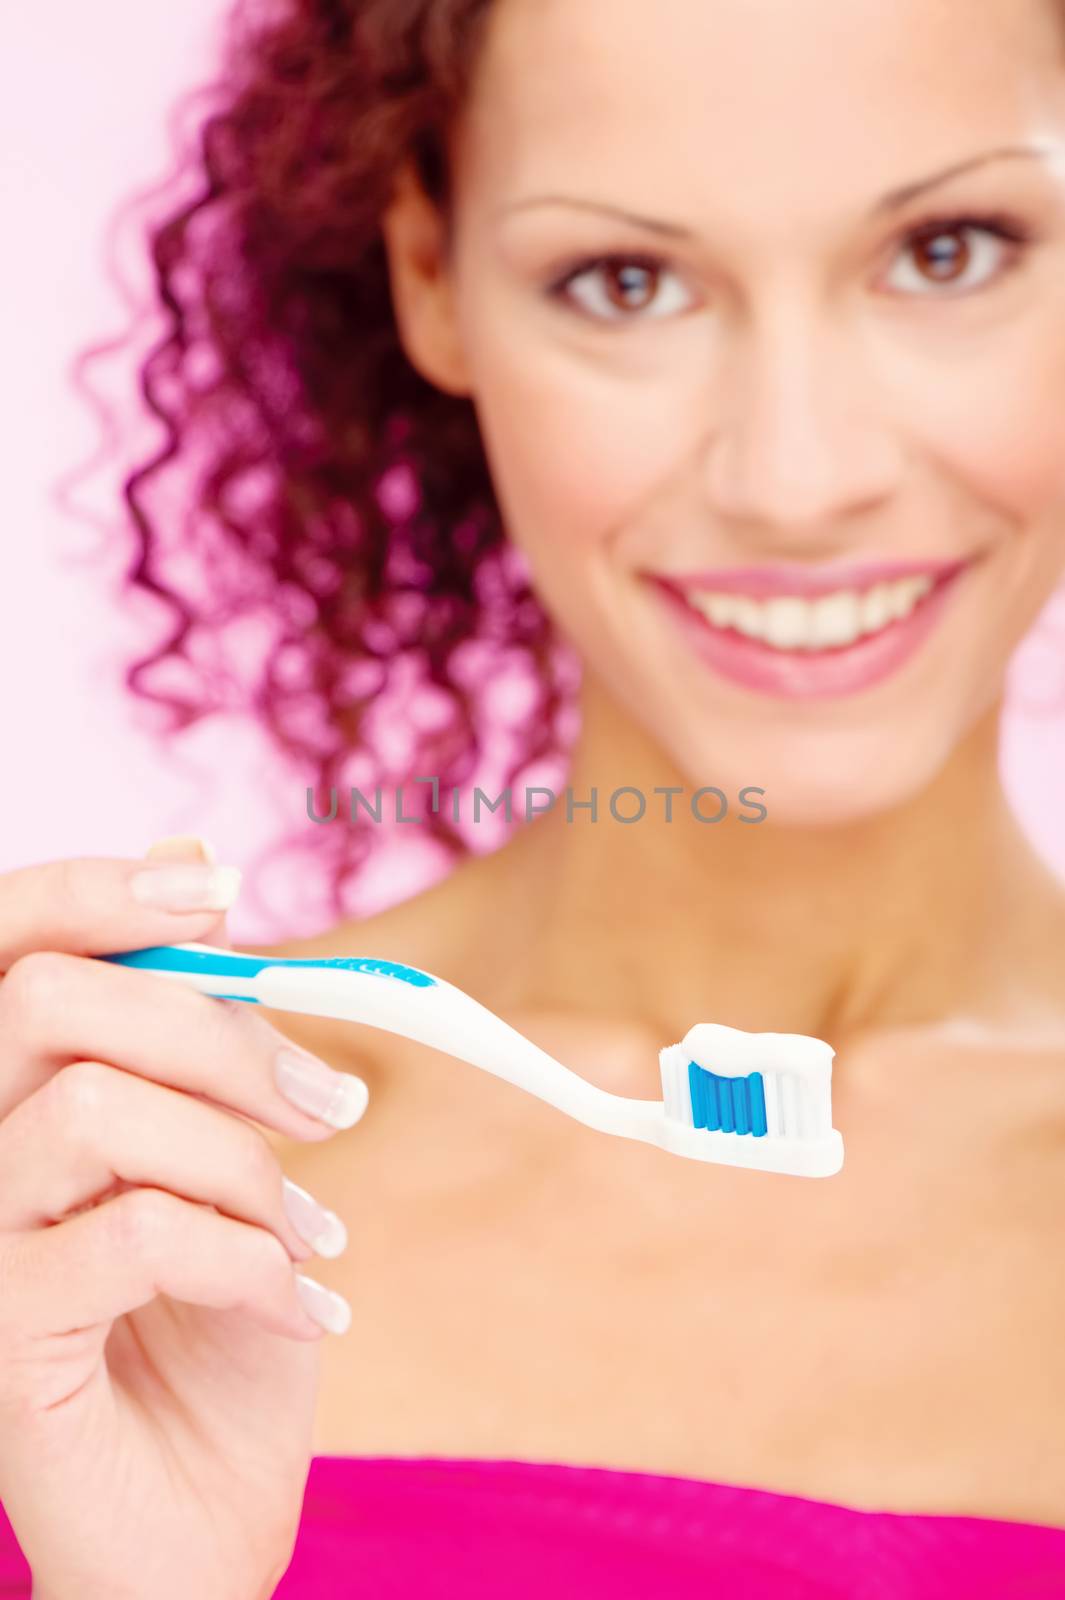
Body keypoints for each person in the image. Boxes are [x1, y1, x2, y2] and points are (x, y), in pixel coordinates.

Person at [2, 0, 1065, 1594]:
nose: (794, 476)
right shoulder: (116, 1214)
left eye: (948, 250)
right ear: (429, 275)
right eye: (624, 282)